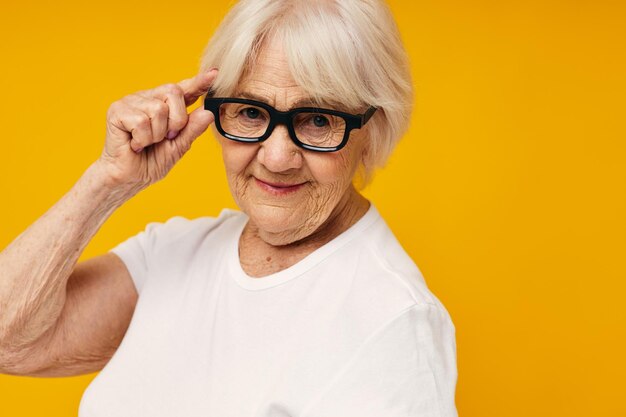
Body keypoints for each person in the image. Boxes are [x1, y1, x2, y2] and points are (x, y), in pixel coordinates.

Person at [0, 0, 458, 416]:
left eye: (319, 119)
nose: (277, 158)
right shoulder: (174, 252)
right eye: (252, 113)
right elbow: (9, 340)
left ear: (372, 130)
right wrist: (107, 181)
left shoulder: (394, 324)